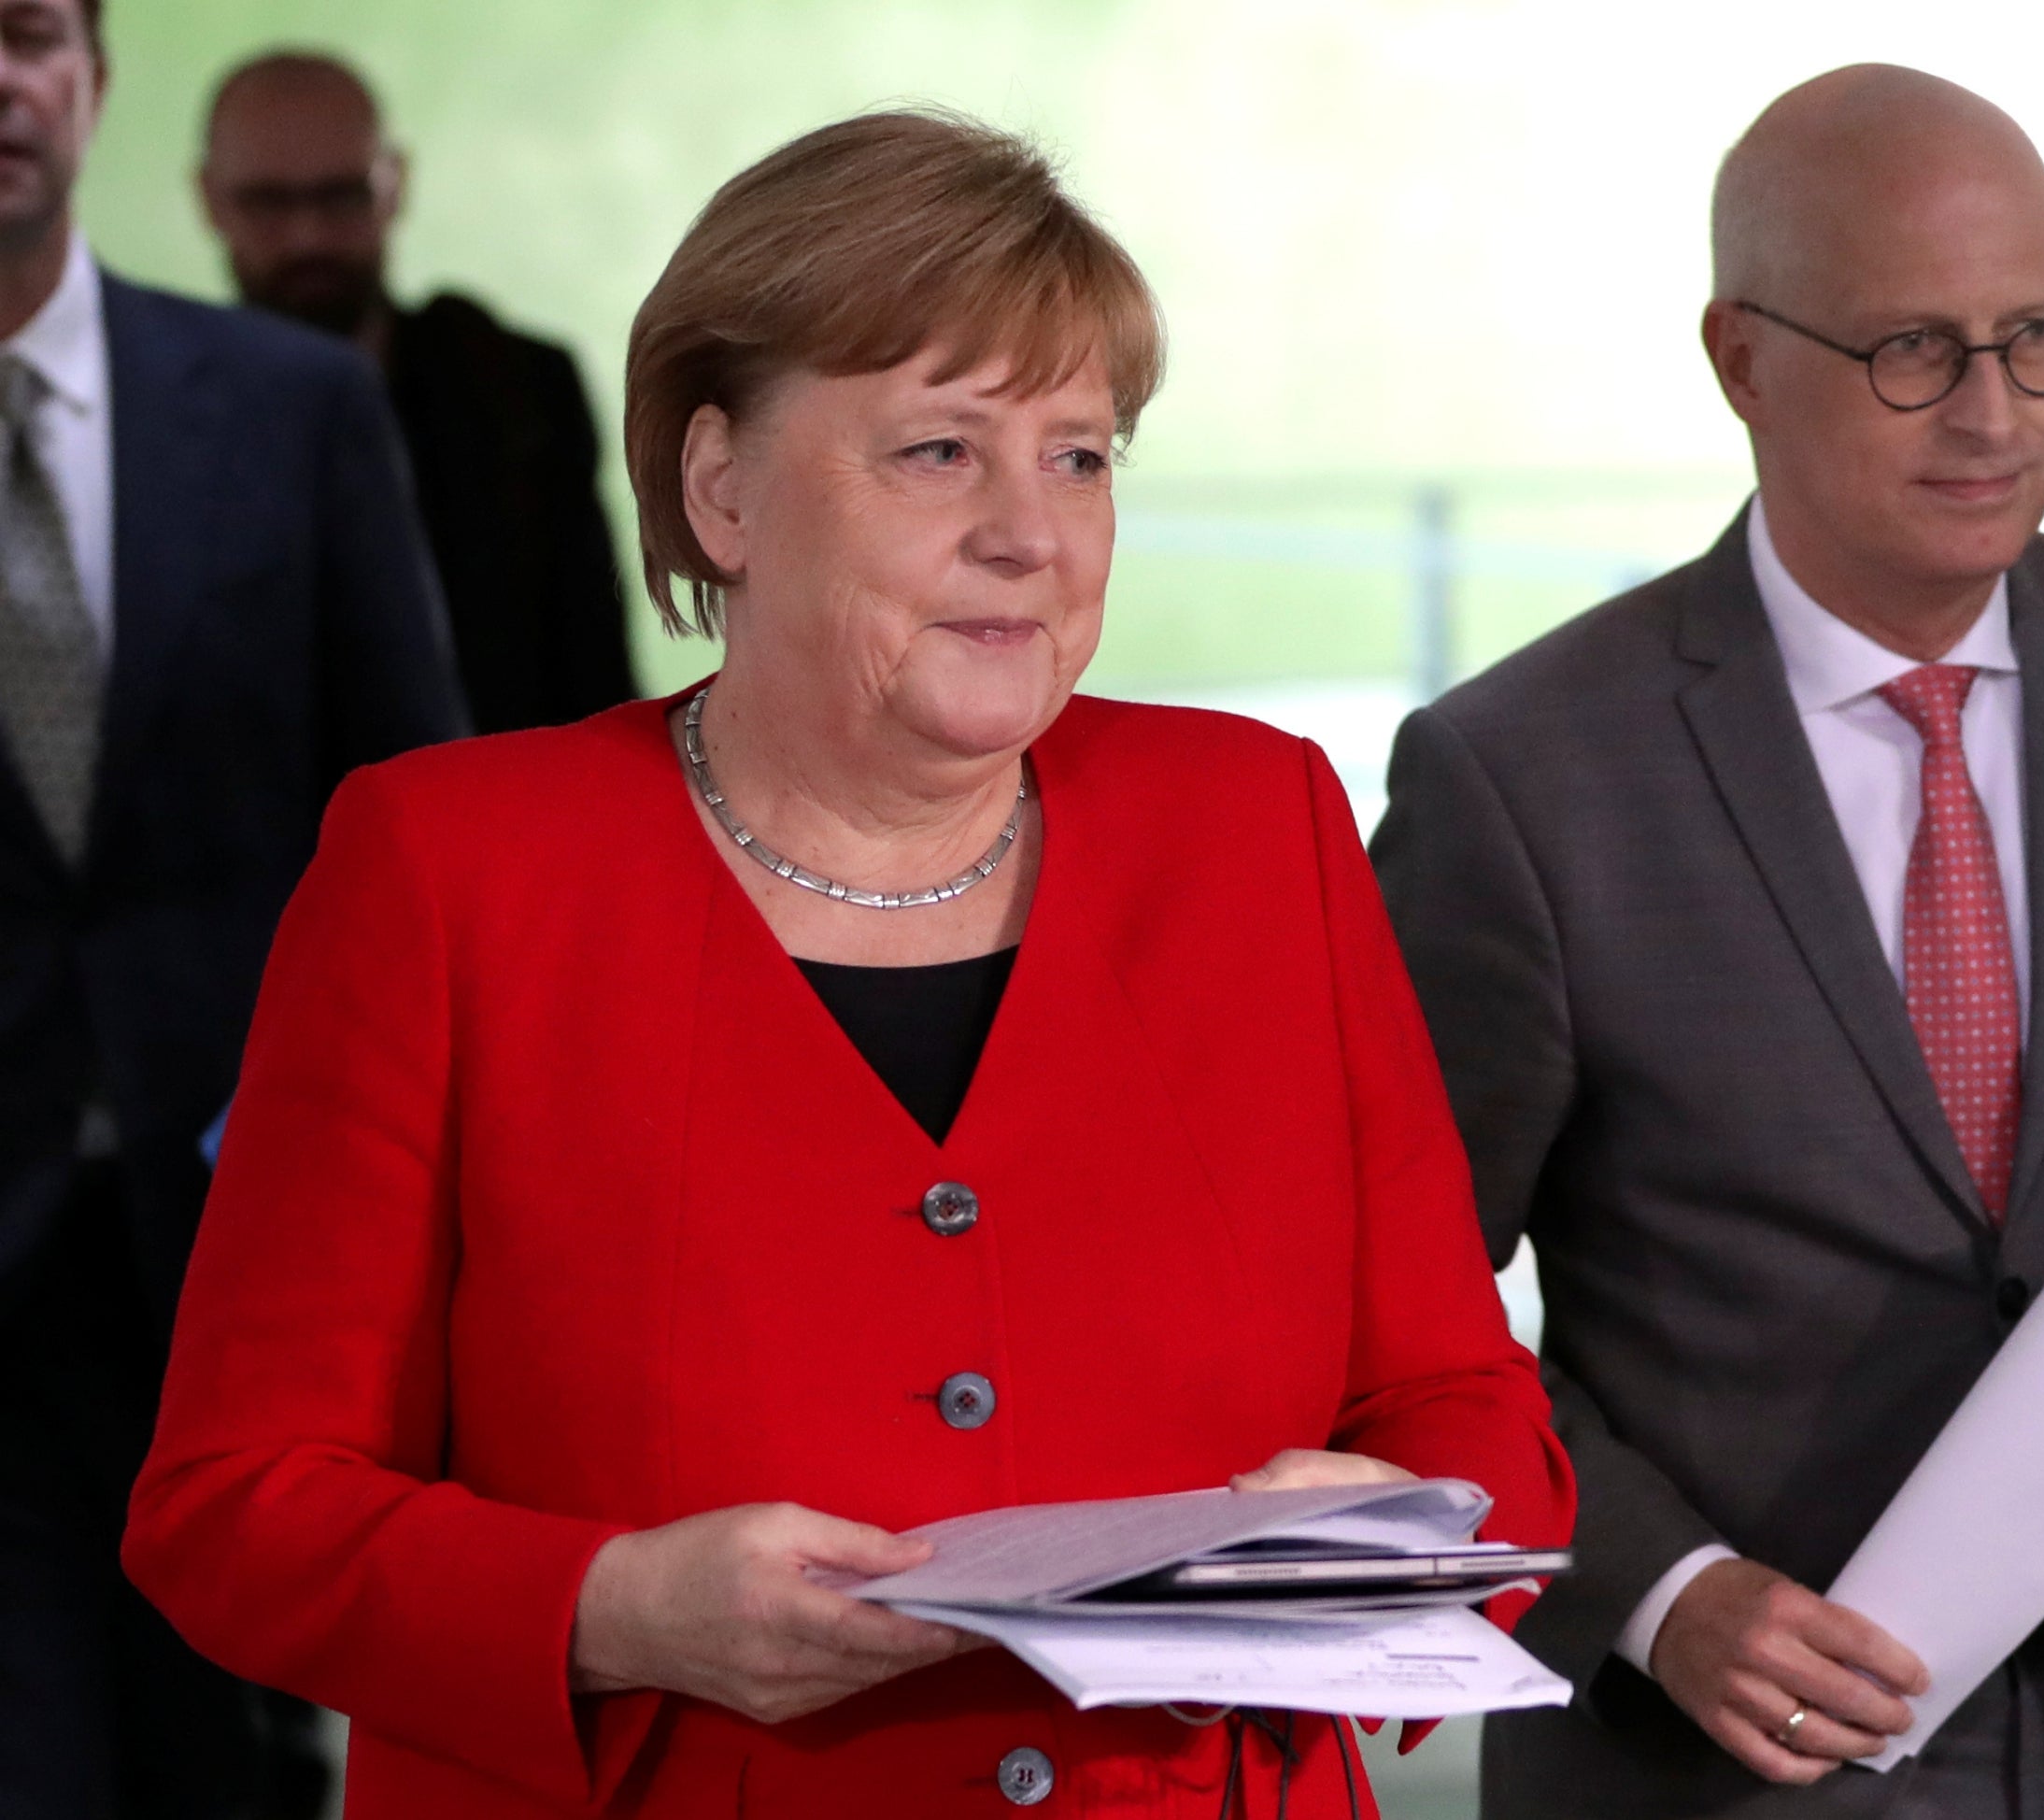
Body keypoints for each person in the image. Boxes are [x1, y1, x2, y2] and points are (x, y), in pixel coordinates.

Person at [122, 109, 1575, 1816]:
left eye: (1081, 456)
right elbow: (236, 1506)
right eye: (941, 451)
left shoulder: (1263, 824)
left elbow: (1460, 1395)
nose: (1032, 533)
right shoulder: (449, 869)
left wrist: (1391, 1536)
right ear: (720, 487)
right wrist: (610, 1608)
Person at [1371, 64, 2044, 1820]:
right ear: (1741, 358)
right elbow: (1383, 1317)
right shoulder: (1518, 777)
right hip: (1711, 1768)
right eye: (1914, 350)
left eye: (2036, 338)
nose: (1994, 414)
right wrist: (1658, 1593)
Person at [0, 1, 466, 1814]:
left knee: (237, 1745)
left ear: (96, 79)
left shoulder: (291, 405)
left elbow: (414, 820)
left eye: (29, 31)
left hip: (250, 1199)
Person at [199, 50, 637, 734]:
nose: (308, 237)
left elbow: (593, 674)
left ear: (393, 185)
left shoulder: (517, 395)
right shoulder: (159, 421)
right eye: (269, 202)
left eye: (340, 196)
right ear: (210, 200)